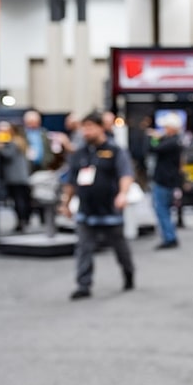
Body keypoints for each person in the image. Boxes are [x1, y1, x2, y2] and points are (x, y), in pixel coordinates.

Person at [59, 112, 135, 300]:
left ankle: (128, 273)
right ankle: (83, 285)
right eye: (84, 127)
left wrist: (123, 194)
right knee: (83, 249)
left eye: (90, 127)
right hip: (86, 211)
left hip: (110, 210)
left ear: (101, 127)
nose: (86, 131)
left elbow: (126, 174)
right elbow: (71, 181)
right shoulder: (79, 153)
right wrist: (66, 204)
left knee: (120, 247)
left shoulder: (115, 150)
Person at [148, 113, 184, 249]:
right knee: (165, 209)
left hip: (164, 180)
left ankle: (169, 237)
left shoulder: (171, 142)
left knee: (162, 209)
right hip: (169, 179)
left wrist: (153, 139)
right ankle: (169, 235)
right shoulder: (175, 140)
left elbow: (154, 149)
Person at [0, 121, 32, 232]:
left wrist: (0, 147)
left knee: (18, 200)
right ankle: (23, 220)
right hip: (21, 177)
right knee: (21, 200)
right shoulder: (20, 141)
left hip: (14, 178)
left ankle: (22, 221)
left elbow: (8, 155)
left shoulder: (12, 143)